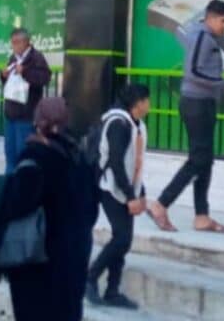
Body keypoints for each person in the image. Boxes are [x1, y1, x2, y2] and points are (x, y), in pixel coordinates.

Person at [147, 0, 224, 233]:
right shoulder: (203, 37)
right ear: (211, 18)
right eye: (223, 21)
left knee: (205, 159)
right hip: (196, 103)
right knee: (199, 159)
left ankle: (202, 216)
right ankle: (161, 204)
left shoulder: (204, 36)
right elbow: (193, 73)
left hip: (203, 103)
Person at [2, 97, 99, 321]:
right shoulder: (80, 157)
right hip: (74, 258)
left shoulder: (34, 157)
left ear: (38, 122)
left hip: (39, 261)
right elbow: (92, 209)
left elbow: (17, 204)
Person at [87, 84, 150, 309]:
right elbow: (116, 163)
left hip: (124, 187)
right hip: (110, 187)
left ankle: (112, 290)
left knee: (123, 240)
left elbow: (135, 163)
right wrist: (130, 195)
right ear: (138, 103)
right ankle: (91, 277)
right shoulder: (118, 124)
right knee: (122, 238)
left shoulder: (136, 125)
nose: (149, 105)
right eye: (147, 100)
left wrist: (140, 192)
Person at [0, 28, 51, 173]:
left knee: (23, 153)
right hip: (11, 113)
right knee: (10, 153)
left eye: (16, 42)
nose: (14, 46)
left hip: (26, 114)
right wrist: (3, 76)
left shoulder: (36, 58)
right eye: (12, 42)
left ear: (26, 42)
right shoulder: (13, 58)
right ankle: (9, 181)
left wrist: (25, 71)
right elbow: (9, 84)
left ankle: (21, 182)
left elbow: (44, 78)